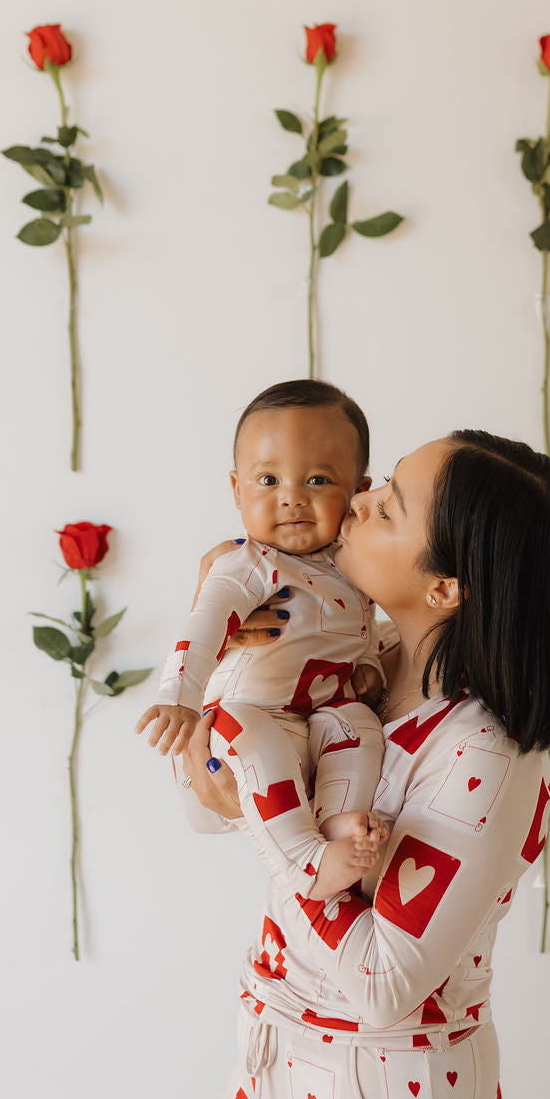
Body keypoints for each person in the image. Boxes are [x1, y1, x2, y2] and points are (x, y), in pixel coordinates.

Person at [153, 431, 550, 1099]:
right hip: (277, 1055)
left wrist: (269, 825)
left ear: (446, 585)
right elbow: (206, 804)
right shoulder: (357, 668)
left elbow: (383, 982)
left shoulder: (484, 755)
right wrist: (237, 660)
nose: (351, 501)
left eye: (386, 505)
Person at [137, 379, 390, 901]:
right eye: (268, 479)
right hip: (229, 736)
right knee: (245, 723)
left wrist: (370, 666)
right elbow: (203, 627)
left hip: (304, 732)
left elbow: (359, 633)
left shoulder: (356, 572)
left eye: (317, 479)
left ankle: (337, 823)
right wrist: (179, 698)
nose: (291, 497)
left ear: (359, 491)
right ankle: (303, 861)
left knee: (357, 722)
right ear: (237, 490)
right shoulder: (247, 564)